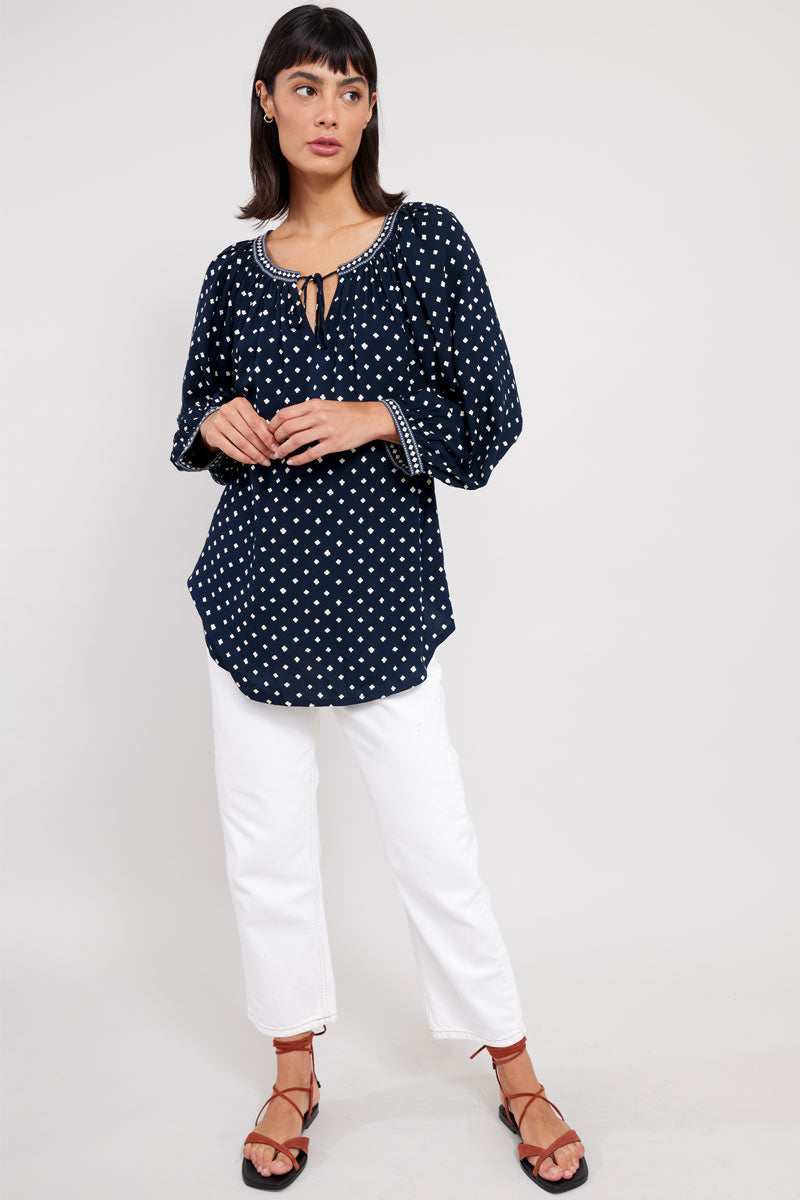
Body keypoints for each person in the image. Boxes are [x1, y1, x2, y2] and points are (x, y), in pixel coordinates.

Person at [169, 5, 588, 1192]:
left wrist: (377, 416)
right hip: (252, 589)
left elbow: (490, 419)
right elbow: (194, 409)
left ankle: (513, 1068)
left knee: (432, 842)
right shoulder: (230, 274)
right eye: (306, 88)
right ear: (266, 102)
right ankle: (292, 1067)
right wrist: (215, 421)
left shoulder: (426, 244)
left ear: (370, 110)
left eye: (351, 90)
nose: (330, 113)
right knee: (265, 845)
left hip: (381, 592)